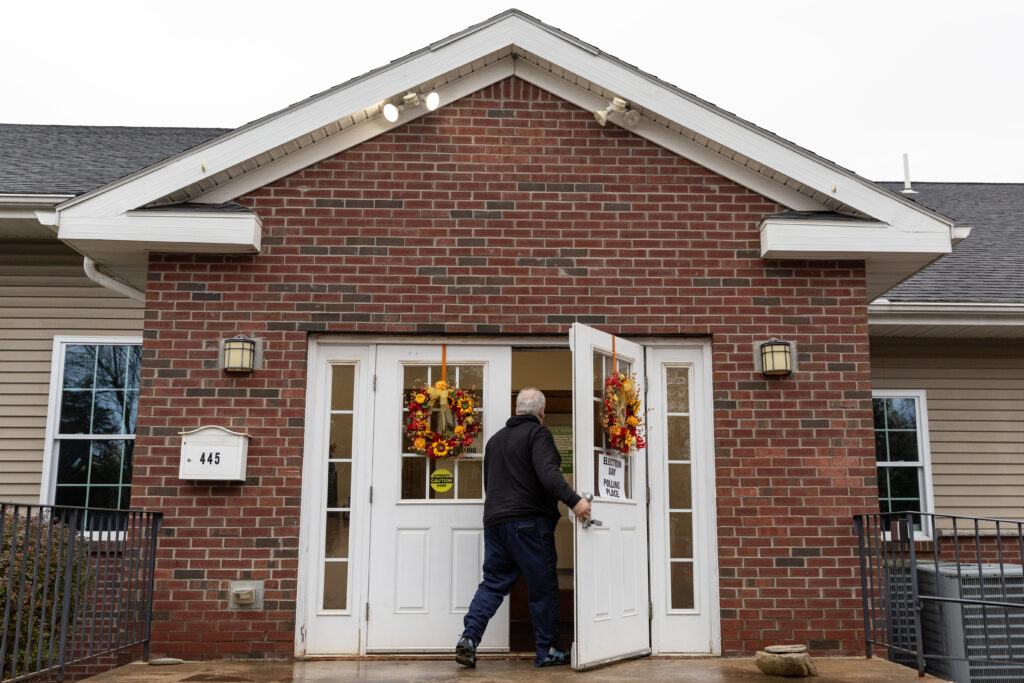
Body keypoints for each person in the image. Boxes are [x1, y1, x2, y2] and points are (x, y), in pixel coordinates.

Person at [455, 387, 592, 668]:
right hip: (528, 523)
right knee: (543, 586)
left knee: (493, 583)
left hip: (495, 523)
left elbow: (489, 484)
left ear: (517, 409)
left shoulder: (494, 441)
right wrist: (574, 501)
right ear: (542, 412)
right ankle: (548, 650)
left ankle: (469, 638)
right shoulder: (538, 434)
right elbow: (548, 474)